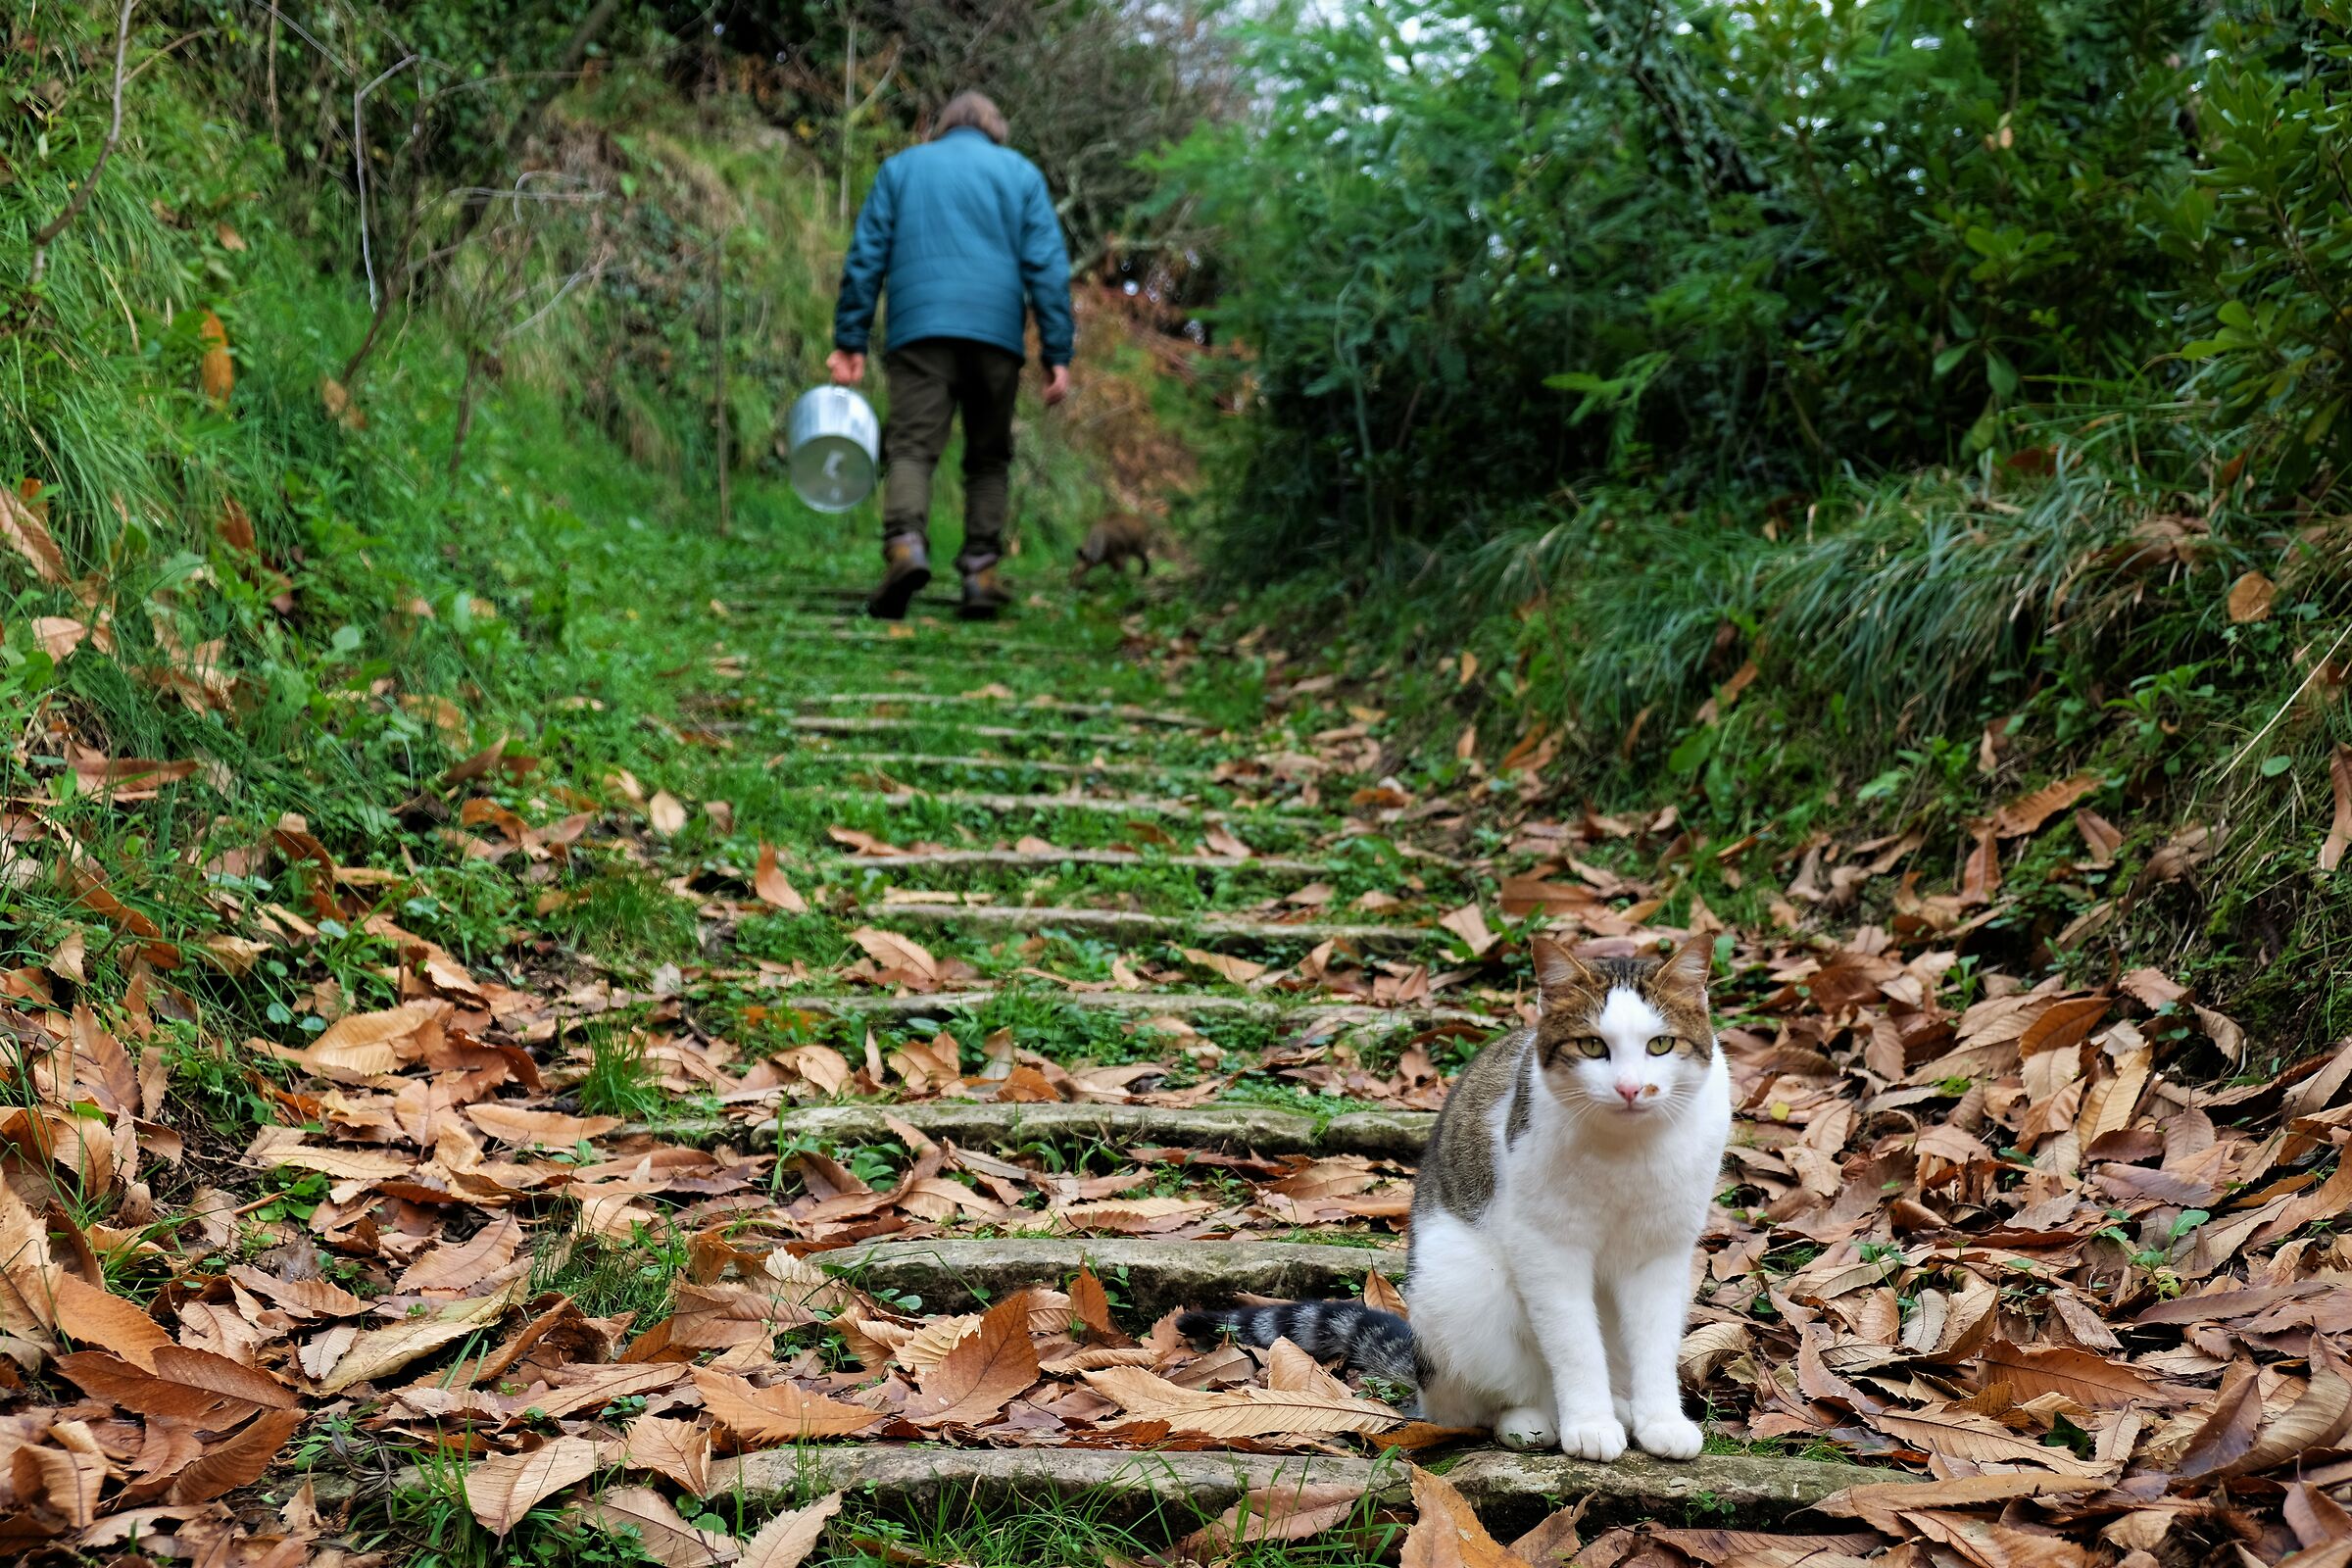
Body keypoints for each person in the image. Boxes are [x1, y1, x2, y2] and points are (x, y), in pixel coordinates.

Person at [829, 91, 1075, 620]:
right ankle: (982, 572)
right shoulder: (1021, 175)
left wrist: (850, 339)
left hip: (920, 329)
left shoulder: (902, 169)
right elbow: (1048, 270)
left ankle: (905, 549)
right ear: (995, 128)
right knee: (988, 457)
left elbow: (866, 257)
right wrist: (1058, 351)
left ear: (943, 127)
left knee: (912, 447)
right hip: (996, 336)